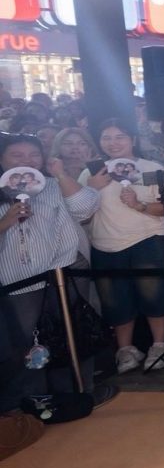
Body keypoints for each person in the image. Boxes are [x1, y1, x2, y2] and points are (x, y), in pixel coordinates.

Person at [0, 134, 100, 410]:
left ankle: (78, 392)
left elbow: (86, 208)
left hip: (65, 271)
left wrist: (60, 174)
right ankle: (32, 401)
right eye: (17, 155)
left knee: (74, 332)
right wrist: (6, 221)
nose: (27, 161)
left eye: (34, 155)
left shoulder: (53, 185)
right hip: (18, 280)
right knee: (26, 342)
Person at [80, 120, 164, 373]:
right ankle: (125, 350)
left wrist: (139, 205)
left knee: (155, 295)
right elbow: (81, 214)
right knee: (114, 301)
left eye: (120, 137)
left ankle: (159, 345)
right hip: (105, 244)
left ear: (133, 140)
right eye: (106, 138)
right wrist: (91, 189)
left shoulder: (153, 168)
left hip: (148, 240)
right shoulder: (90, 172)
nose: (113, 143)